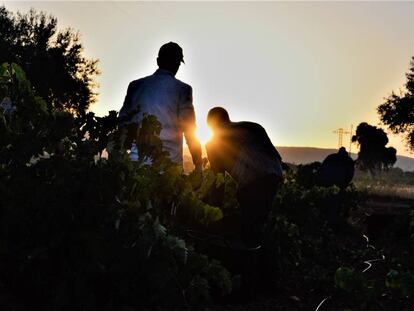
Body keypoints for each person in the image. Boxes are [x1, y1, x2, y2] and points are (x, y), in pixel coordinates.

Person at [206, 107, 283, 248]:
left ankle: (243, 261)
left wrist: (213, 214)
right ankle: (255, 258)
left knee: (246, 230)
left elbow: (218, 182)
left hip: (253, 181)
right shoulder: (253, 127)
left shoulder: (213, 144)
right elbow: (274, 156)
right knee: (256, 225)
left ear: (210, 125)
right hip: (275, 174)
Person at [119, 42, 202, 171]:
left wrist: (120, 159)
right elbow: (190, 131)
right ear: (177, 64)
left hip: (136, 163)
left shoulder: (135, 86)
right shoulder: (183, 89)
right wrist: (199, 165)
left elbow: (123, 125)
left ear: (158, 61)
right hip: (169, 168)